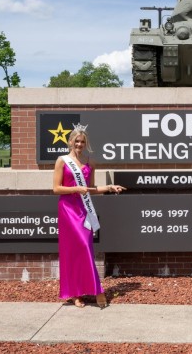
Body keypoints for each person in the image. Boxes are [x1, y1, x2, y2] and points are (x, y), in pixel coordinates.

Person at [52, 123, 125, 308]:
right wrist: (76, 188)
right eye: (76, 141)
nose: (79, 145)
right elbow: (55, 188)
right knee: (74, 251)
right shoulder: (62, 160)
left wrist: (109, 187)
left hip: (83, 209)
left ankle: (90, 288)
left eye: (82, 142)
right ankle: (77, 293)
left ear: (86, 143)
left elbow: (91, 189)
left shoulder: (90, 163)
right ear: (70, 141)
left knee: (86, 248)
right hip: (68, 209)